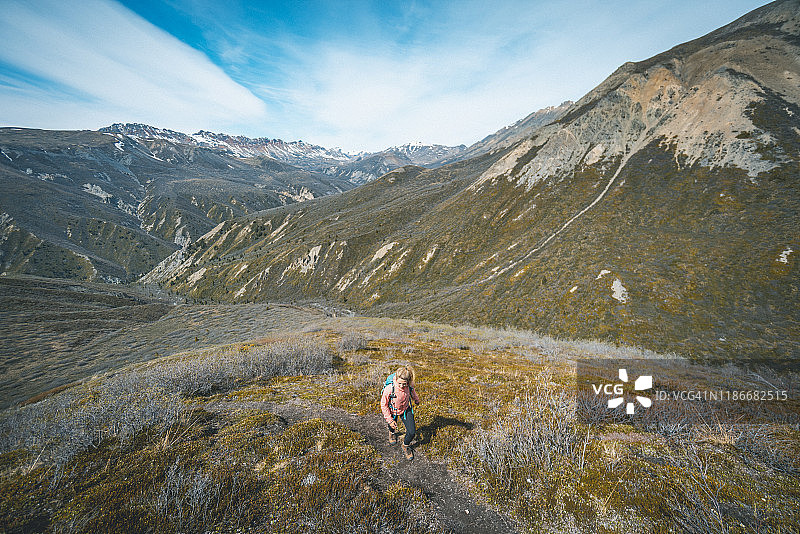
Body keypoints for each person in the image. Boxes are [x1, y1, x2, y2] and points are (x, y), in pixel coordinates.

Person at [380, 366, 421, 460]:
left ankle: (405, 445)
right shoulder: (390, 388)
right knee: (392, 425)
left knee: (412, 432)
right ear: (396, 379)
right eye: (399, 383)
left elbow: (412, 392)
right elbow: (383, 405)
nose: (402, 386)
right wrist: (390, 420)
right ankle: (391, 433)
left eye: (404, 384)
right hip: (392, 410)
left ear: (408, 382)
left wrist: (416, 399)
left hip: (406, 410)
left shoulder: (409, 385)